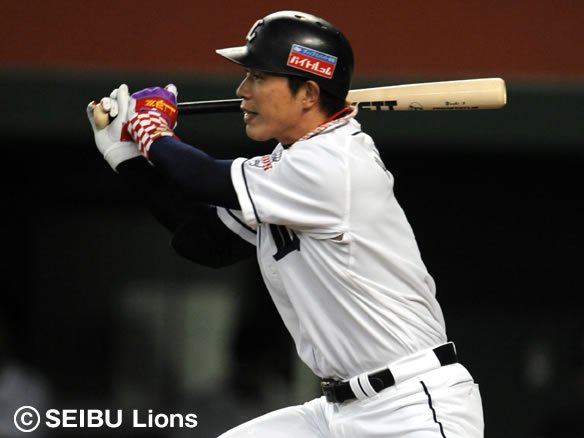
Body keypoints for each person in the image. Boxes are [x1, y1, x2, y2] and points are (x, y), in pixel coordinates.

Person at [87, 10, 484, 438]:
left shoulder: (334, 161)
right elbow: (207, 242)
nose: (242, 90)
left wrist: (153, 132)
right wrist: (128, 159)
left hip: (410, 407)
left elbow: (202, 178)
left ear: (308, 93)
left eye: (259, 77)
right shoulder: (291, 164)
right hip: (337, 411)